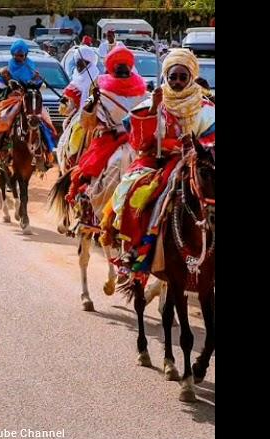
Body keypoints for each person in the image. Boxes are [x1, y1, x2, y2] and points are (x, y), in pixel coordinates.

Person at [104, 48, 214, 274]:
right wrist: (154, 108)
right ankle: (135, 248)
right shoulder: (152, 102)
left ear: (191, 78)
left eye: (183, 77)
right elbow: (140, 142)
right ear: (165, 76)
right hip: (158, 161)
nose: (177, 82)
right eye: (172, 77)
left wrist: (195, 148)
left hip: (197, 160)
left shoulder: (206, 107)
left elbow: (212, 138)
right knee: (134, 191)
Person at [65, 46, 148, 213]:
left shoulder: (144, 93)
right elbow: (86, 123)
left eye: (126, 67)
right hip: (110, 139)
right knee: (102, 167)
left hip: (138, 140)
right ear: (112, 70)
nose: (123, 70)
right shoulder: (101, 93)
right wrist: (91, 102)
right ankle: (91, 200)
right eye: (119, 67)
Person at [0, 39, 58, 168]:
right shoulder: (6, 71)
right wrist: (10, 89)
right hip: (11, 101)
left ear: (26, 55)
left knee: (44, 121)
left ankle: (46, 153)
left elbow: (38, 86)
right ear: (13, 55)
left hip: (29, 99)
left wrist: (37, 80)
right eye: (16, 55)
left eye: (21, 55)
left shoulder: (31, 67)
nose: (19, 58)